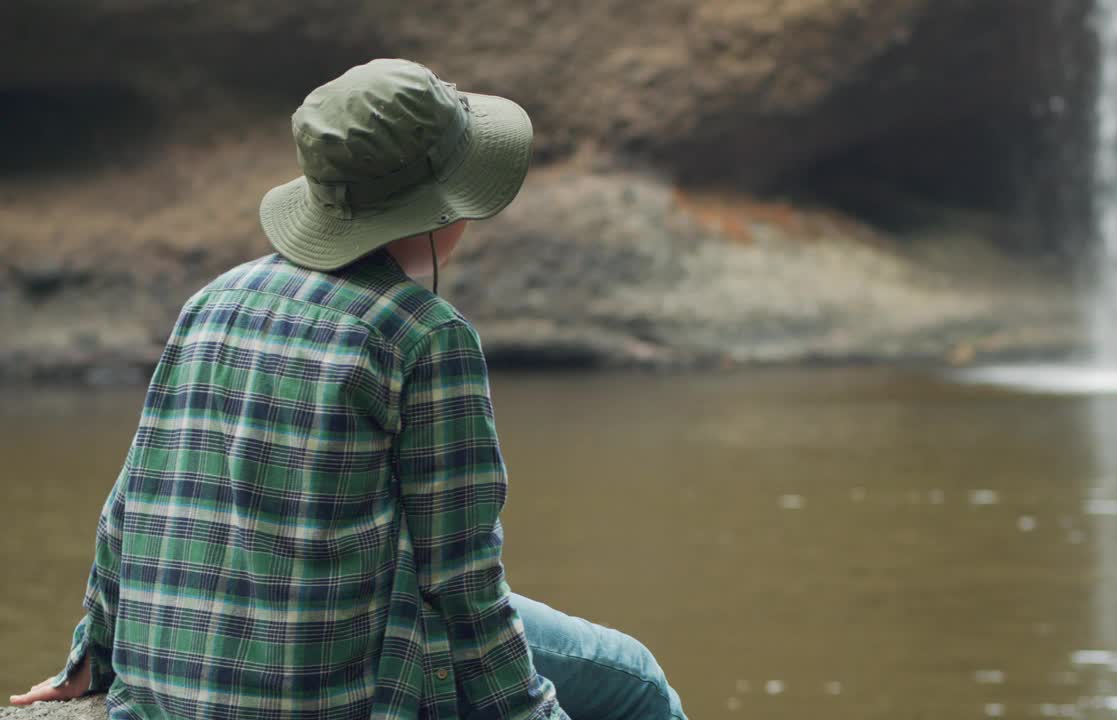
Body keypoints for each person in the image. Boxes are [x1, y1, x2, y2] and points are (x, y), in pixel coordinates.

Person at [9, 58, 687, 720]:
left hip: (170, 683)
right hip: (333, 690)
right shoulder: (423, 335)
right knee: (635, 681)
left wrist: (91, 655)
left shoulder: (211, 300)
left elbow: (128, 506)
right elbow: (460, 583)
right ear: (438, 208)